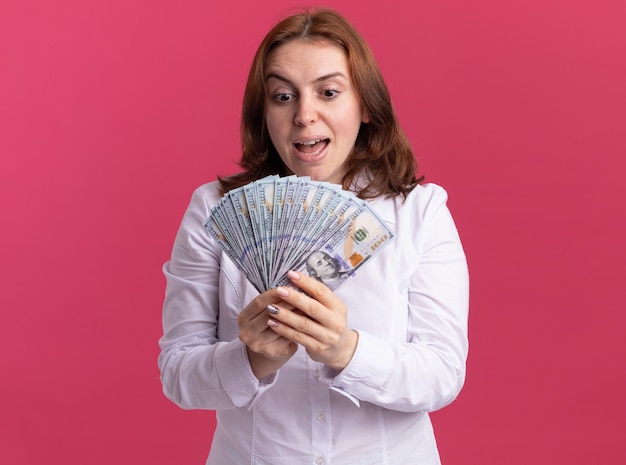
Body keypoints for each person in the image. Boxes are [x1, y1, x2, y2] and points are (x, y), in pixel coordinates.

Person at [158, 7, 469, 465]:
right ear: (264, 112)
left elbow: (442, 375)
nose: (305, 114)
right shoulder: (215, 212)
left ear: (364, 105)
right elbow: (177, 374)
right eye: (283, 96)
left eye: (328, 92)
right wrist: (251, 359)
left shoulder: (419, 214)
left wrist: (346, 350)